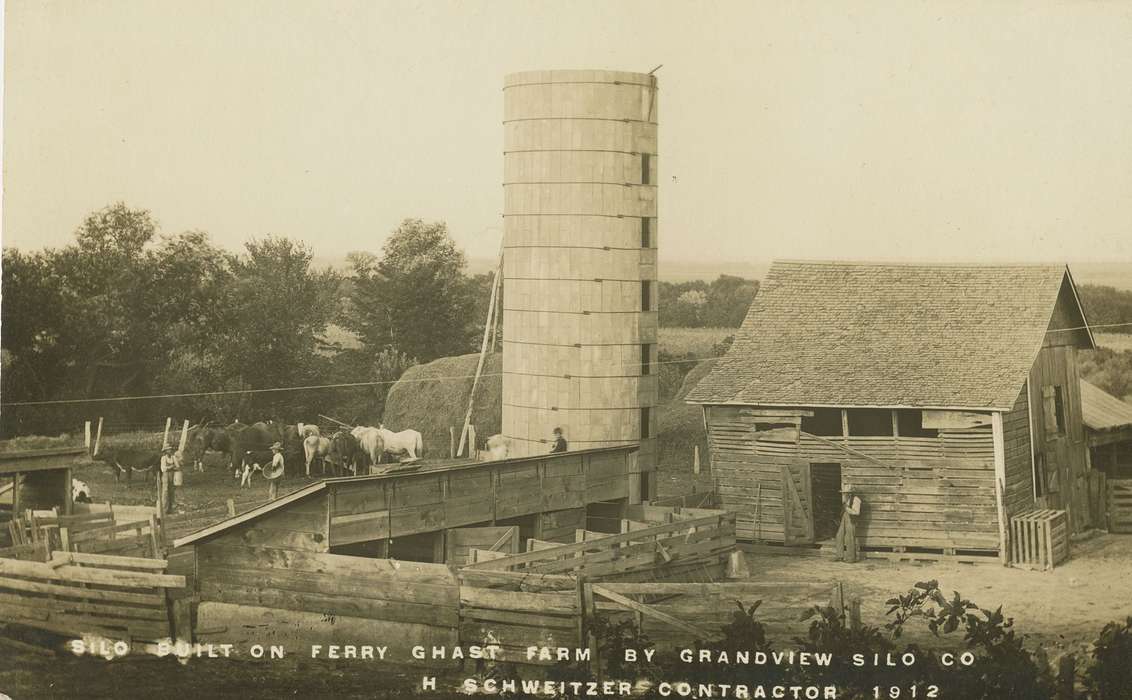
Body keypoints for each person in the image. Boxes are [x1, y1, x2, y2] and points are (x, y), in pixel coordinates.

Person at [835, 487, 862, 563]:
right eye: (843, 493)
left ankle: (851, 558)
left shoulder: (856, 500)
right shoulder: (846, 500)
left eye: (845, 493)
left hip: (852, 519)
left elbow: (857, 512)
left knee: (849, 538)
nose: (844, 494)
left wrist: (847, 509)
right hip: (844, 517)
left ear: (850, 493)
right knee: (839, 536)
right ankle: (839, 556)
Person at [159, 444, 179, 514]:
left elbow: (177, 466)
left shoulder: (173, 457)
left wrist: (172, 467)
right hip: (165, 476)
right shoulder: (163, 458)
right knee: (165, 491)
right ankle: (164, 509)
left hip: (172, 475)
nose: (170, 451)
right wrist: (171, 467)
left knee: (172, 491)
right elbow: (163, 469)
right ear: (165, 451)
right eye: (168, 450)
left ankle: (171, 509)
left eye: (170, 449)